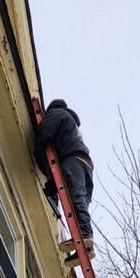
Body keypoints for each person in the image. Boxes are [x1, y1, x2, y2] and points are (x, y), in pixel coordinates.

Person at [34, 99, 94, 266]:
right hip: (85, 164)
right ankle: (85, 249)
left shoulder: (56, 114)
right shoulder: (71, 124)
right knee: (78, 200)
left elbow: (44, 134)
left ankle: (85, 235)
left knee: (75, 197)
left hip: (72, 158)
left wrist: (41, 162)